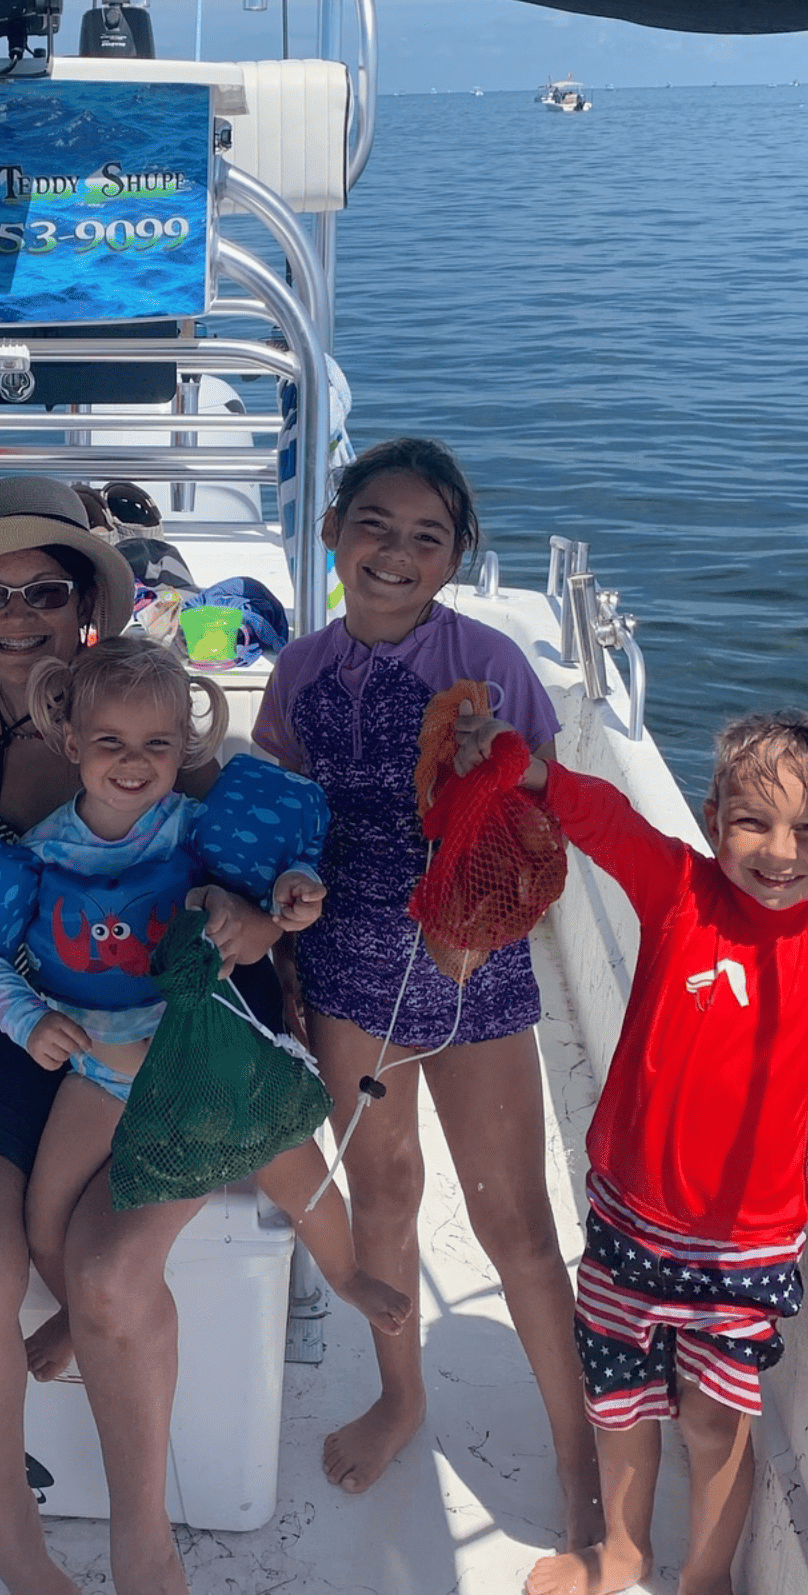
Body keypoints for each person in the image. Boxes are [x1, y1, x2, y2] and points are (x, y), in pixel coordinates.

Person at [0, 477, 310, 1595]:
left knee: (113, 1280)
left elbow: (248, 866)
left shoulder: (149, 719)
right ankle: (18, 1558)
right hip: (22, 1021)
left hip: (156, 1033)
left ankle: (143, 1543)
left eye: (45, 587)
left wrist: (271, 931)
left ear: (85, 607)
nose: (17, 612)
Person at [445, 710, 808, 1595]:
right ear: (712, 818)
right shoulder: (678, 889)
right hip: (625, 1220)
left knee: (714, 1426)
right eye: (752, 822)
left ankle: (705, 1575)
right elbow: (609, 820)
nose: (779, 851)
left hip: (746, 1248)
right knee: (617, 1405)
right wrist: (535, 777)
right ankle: (621, 1550)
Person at [251, 436, 602, 1536]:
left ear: (453, 561)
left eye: (426, 538)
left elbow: (553, 813)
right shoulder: (300, 671)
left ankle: (575, 1447)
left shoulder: (490, 663)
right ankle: (401, 1396)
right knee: (385, 1192)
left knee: (517, 1222)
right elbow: (288, 818)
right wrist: (290, 898)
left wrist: (499, 770)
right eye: (375, 526)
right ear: (331, 535)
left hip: (476, 964)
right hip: (350, 969)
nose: (395, 553)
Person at [0, 635, 409, 1369]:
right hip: (97, 1066)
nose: (133, 761)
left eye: (156, 743)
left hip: (199, 1051)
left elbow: (271, 877)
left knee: (289, 1160)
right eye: (110, 741)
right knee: (45, 1221)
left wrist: (291, 891)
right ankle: (78, 1317)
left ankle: (346, 1275)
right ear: (72, 742)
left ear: (185, 747)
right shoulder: (39, 853)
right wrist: (27, 1021)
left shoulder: (193, 829)